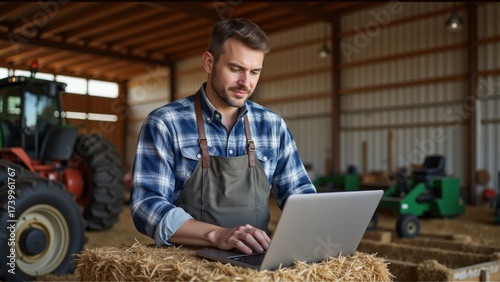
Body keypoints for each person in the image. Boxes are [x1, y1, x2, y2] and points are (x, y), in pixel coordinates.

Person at [130, 18, 316, 255]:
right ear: (209, 62)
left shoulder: (272, 125)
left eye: (254, 72)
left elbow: (300, 195)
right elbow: (146, 205)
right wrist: (217, 235)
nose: (245, 83)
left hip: (254, 261)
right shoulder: (166, 123)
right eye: (235, 69)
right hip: (187, 260)